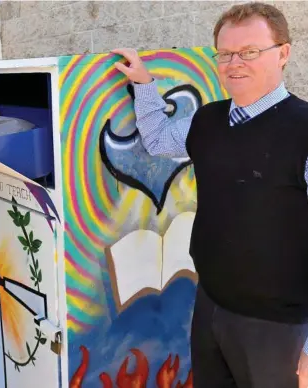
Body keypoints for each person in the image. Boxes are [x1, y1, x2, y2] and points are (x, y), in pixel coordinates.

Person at [111, 2, 308, 387]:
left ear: (283, 53)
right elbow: (157, 141)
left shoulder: (303, 129)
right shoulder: (208, 119)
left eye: (250, 51)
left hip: (278, 327)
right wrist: (144, 85)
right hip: (211, 304)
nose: (235, 62)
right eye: (226, 53)